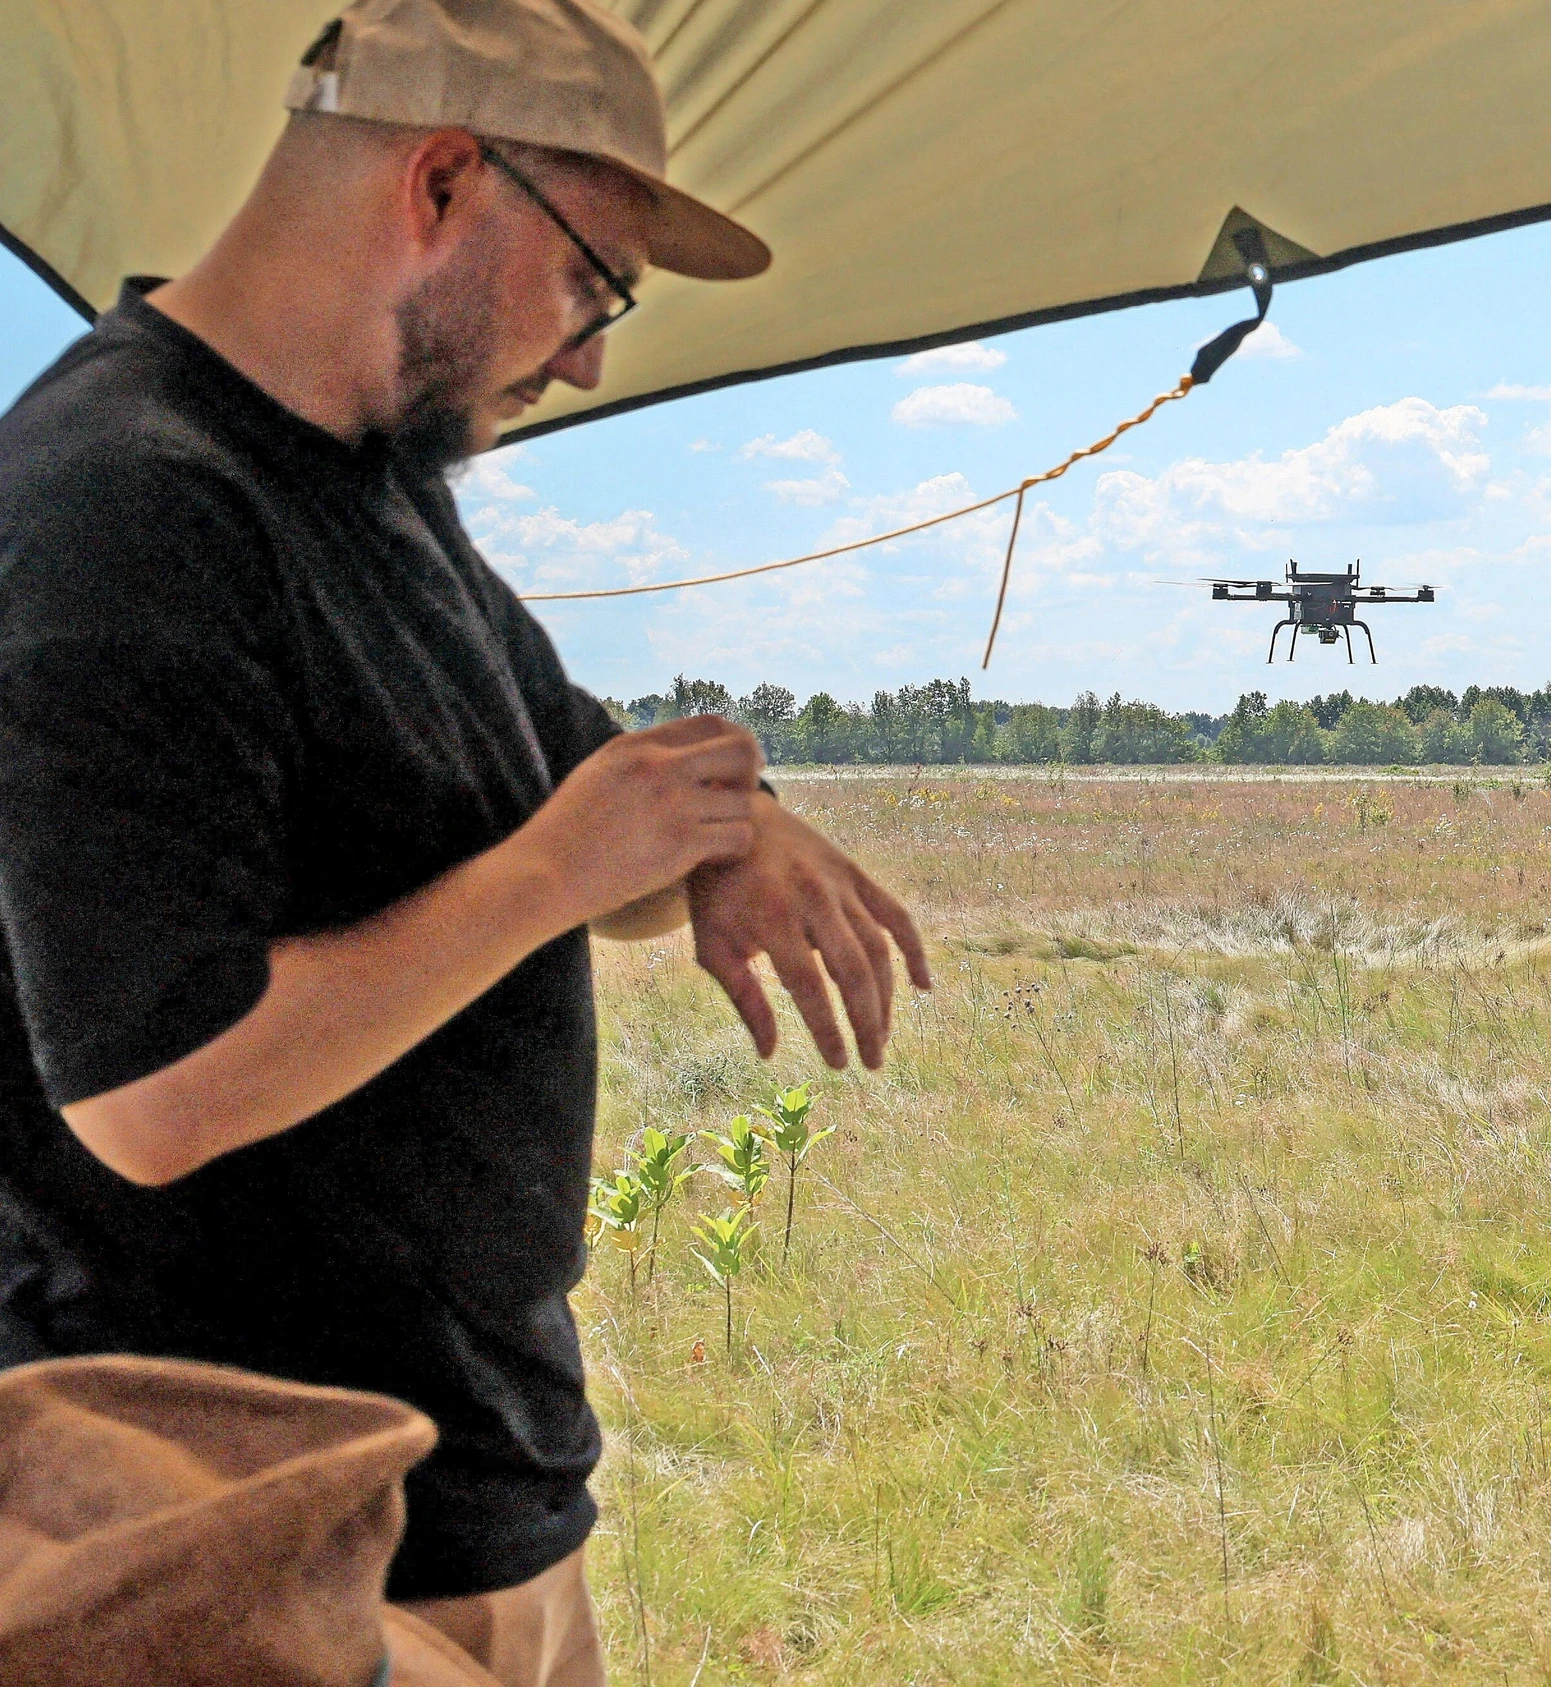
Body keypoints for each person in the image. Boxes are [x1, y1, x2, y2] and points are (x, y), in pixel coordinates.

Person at [0, 2, 930, 1683]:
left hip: (478, 1502)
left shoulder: (371, 483)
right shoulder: (120, 504)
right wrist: (552, 877)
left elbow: (576, 804)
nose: (588, 355)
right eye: (595, 283)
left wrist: (722, 834)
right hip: (246, 1552)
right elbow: (151, 1089)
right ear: (440, 181)